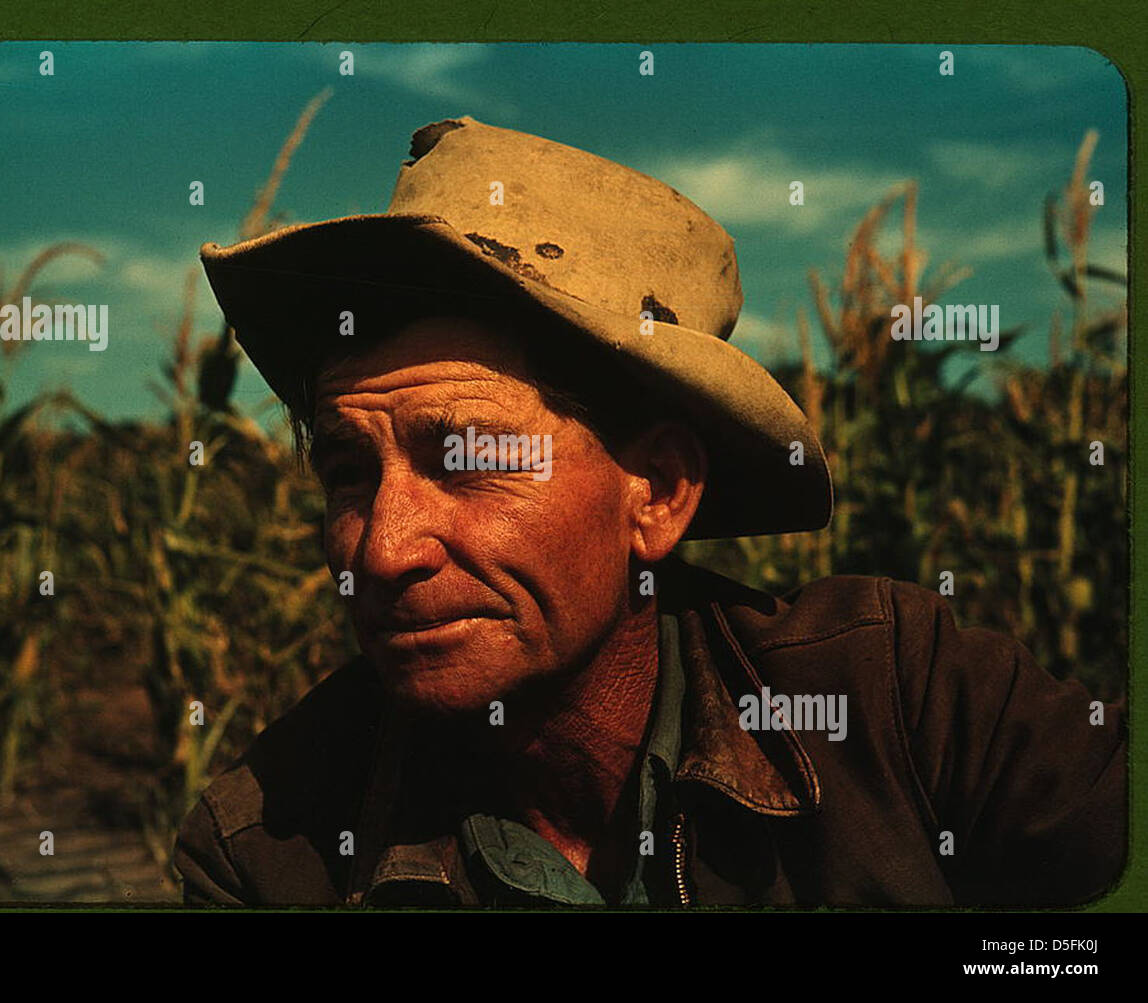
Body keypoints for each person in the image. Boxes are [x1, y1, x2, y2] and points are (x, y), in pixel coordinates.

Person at [174, 116, 1125, 906]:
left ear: (660, 492)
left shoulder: (909, 706)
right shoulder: (269, 851)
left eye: (464, 458)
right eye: (348, 471)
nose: (381, 550)